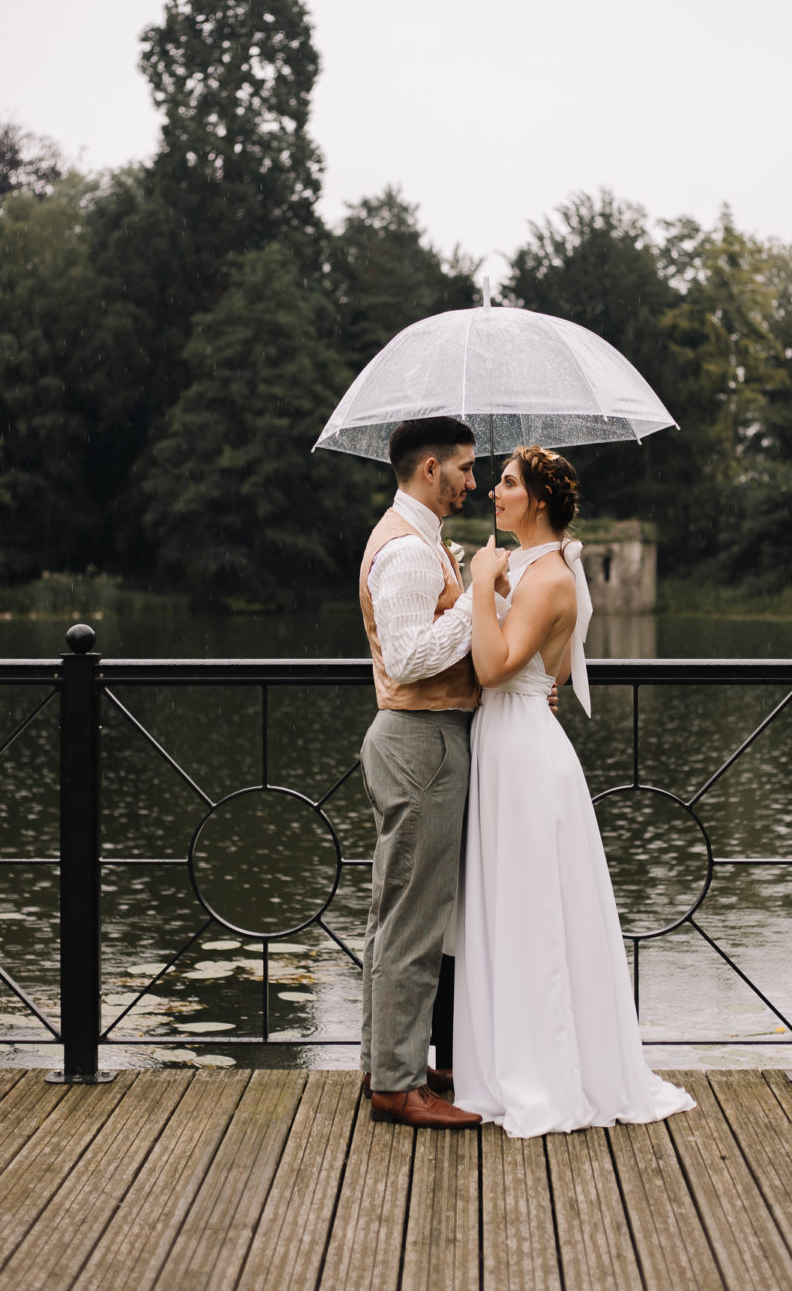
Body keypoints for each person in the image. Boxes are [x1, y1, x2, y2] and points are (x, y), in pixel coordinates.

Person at [452, 445, 695, 1137]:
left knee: (533, 912)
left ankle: (544, 1074)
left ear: (537, 500)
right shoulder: (529, 569)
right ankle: (508, 1059)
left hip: (523, 755)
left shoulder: (550, 574)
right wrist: (495, 585)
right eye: (494, 481)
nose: (492, 492)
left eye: (504, 483)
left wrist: (478, 582)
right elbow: (547, 669)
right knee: (512, 906)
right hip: (511, 744)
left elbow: (498, 667)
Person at [358, 416, 486, 1130]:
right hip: (421, 742)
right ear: (430, 467)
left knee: (393, 913)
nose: (473, 481)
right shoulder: (408, 552)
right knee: (413, 919)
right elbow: (407, 659)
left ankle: (390, 1061)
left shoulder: (419, 542)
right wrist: (473, 600)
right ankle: (399, 1086)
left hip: (416, 741)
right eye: (465, 468)